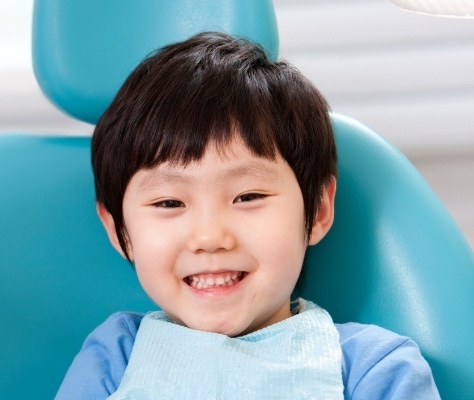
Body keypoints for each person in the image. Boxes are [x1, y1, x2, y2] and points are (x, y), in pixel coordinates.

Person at [55, 32, 440, 399]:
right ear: (119, 230)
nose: (209, 237)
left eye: (248, 196)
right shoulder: (114, 358)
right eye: (169, 203)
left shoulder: (373, 369)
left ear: (318, 209)